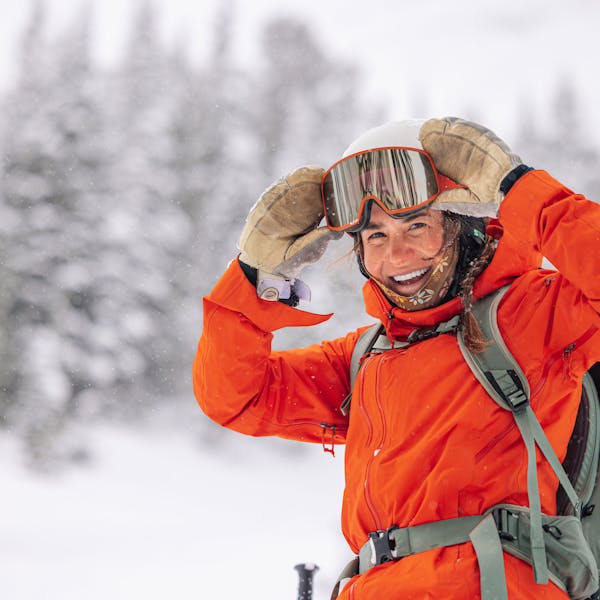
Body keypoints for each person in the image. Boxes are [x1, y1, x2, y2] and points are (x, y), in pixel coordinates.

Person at [193, 117, 600, 599]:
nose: (398, 256)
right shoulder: (367, 355)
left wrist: (516, 187)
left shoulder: (532, 316)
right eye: (376, 237)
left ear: (462, 228)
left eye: (416, 226)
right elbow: (235, 396)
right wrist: (256, 273)